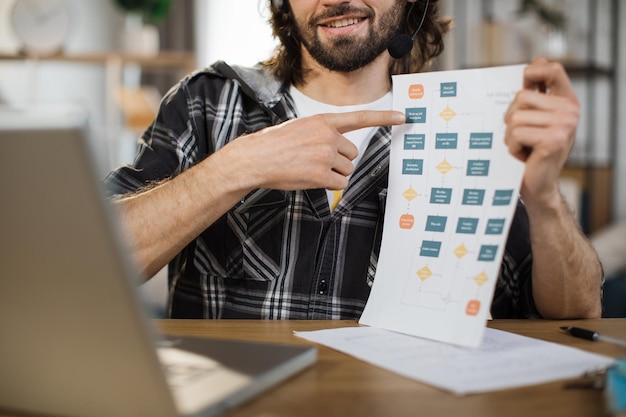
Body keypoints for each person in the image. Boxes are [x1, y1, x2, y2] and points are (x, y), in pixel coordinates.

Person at [104, 0, 602, 320]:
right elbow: (99, 260)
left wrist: (543, 197)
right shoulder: (206, 103)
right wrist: (236, 168)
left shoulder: (475, 124)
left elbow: (578, 315)